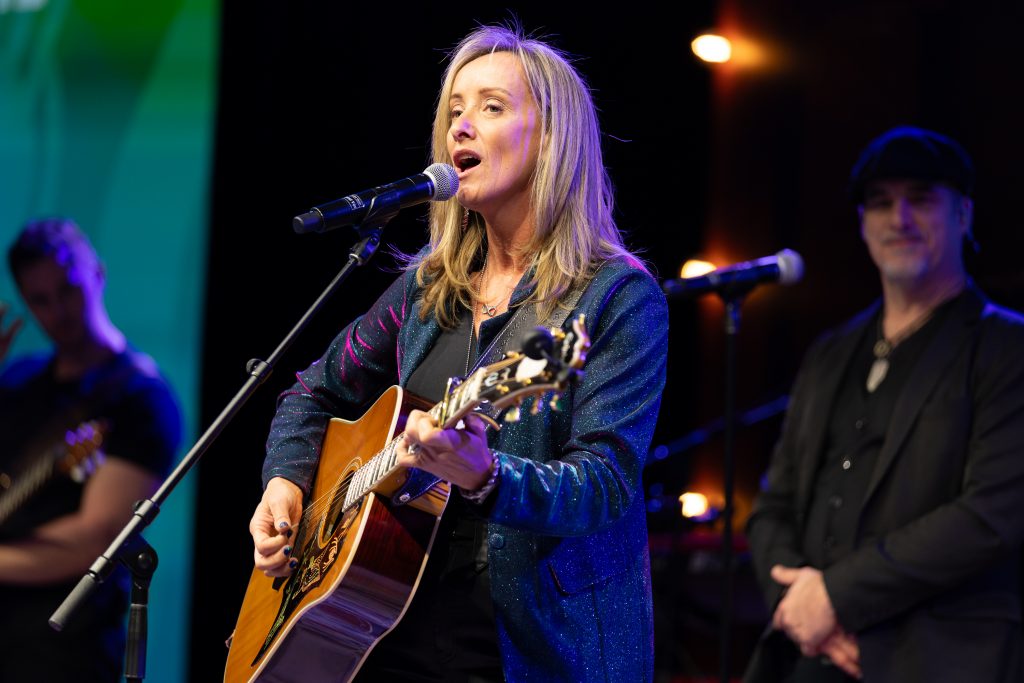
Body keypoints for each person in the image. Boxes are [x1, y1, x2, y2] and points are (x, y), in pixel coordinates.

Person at [248, 24, 668, 682]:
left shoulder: (616, 298)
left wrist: (486, 474)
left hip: (530, 647)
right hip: (389, 630)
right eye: (454, 110)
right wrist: (286, 482)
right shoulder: (426, 287)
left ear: (554, 138)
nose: (461, 127)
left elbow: (606, 485)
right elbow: (313, 390)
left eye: (492, 107)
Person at [744, 125, 1024, 683]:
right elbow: (773, 507)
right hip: (810, 653)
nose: (899, 219)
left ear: (963, 214)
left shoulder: (1006, 346)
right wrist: (802, 607)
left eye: (920, 200)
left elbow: (992, 512)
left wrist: (835, 597)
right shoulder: (830, 352)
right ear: (863, 226)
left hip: (942, 654)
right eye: (880, 203)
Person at [0, 218, 182, 682]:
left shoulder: (140, 397)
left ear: (97, 274)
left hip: (61, 650)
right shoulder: (16, 381)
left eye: (68, 288)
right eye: (40, 300)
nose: (58, 311)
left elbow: (94, 539)